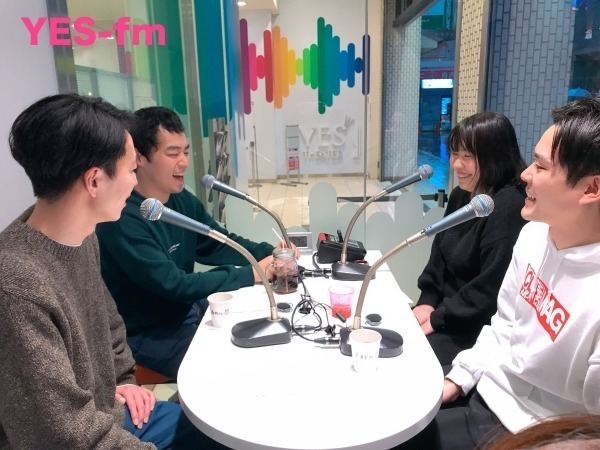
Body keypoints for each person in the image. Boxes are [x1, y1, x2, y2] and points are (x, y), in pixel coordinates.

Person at [0, 93, 225, 448]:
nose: (135, 183)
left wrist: (123, 380)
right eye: (131, 170)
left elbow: (108, 321)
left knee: (220, 429)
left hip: (110, 413)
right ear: (94, 181)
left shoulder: (82, 236)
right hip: (83, 436)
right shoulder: (18, 286)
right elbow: (61, 437)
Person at [398, 97, 600, 450]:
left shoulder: (510, 210)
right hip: (488, 396)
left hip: (539, 435)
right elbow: (505, 324)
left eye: (541, 166)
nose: (525, 175)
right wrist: (457, 379)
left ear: (591, 189)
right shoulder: (534, 236)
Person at [96, 106, 293, 379]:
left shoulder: (180, 199)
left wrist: (271, 252)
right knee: (231, 368)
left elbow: (217, 243)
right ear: (139, 158)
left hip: (184, 310)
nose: (184, 162)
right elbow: (173, 284)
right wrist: (252, 273)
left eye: (186, 152)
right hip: (148, 333)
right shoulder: (123, 218)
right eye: (172, 153)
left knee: (259, 324)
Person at [413, 112, 527, 366]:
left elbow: (490, 289)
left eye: (467, 157)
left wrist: (438, 319)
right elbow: (438, 255)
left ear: (495, 157)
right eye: (454, 154)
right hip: (444, 312)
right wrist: (427, 300)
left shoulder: (508, 207)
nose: (456, 164)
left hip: (473, 329)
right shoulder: (461, 195)